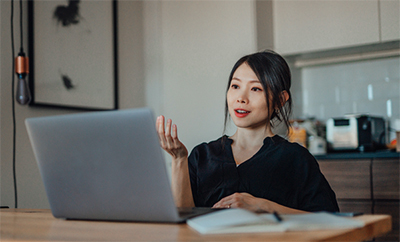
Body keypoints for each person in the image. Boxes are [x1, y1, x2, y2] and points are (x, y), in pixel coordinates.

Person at [156, 50, 339, 214]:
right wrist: (179, 159)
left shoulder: (296, 159)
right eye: (235, 86)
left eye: (255, 89)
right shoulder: (201, 156)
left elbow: (331, 221)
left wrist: (264, 206)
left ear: (280, 100)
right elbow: (184, 222)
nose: (241, 98)